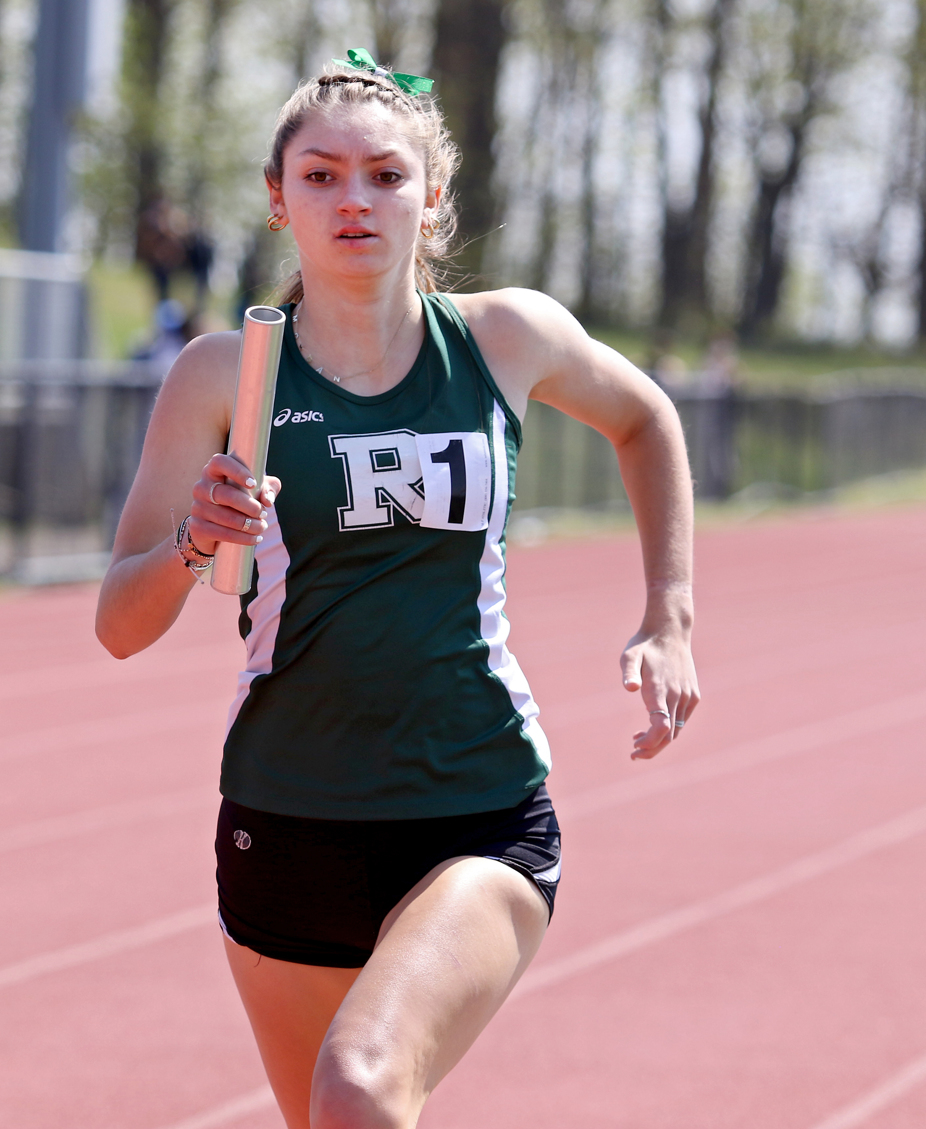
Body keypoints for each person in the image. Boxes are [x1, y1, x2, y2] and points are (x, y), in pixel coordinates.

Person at [95, 53, 699, 1129]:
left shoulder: (502, 338)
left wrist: (669, 617)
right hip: (284, 822)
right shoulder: (221, 380)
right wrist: (194, 542)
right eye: (320, 176)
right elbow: (119, 627)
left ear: (431, 202)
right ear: (279, 201)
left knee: (359, 1085)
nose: (354, 200)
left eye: (384, 175)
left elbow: (644, 417)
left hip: (473, 805)